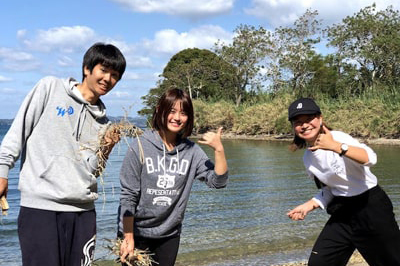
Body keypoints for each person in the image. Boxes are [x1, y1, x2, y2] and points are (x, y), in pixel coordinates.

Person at [0, 42, 126, 266]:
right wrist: (2, 170)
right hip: (41, 208)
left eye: (115, 75)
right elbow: (18, 131)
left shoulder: (104, 123)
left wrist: (107, 148)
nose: (108, 79)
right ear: (87, 68)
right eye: (103, 70)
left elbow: (93, 170)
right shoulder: (49, 88)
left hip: (83, 212)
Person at [118, 88, 228, 266]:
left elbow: (218, 182)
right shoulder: (139, 145)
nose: (177, 118)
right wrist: (128, 236)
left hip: (169, 235)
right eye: (172, 111)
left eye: (183, 113)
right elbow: (128, 196)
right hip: (136, 233)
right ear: (160, 110)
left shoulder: (191, 151)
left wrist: (219, 150)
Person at [286, 97, 400, 266]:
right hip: (343, 212)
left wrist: (336, 146)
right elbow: (331, 188)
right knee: (320, 262)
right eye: (298, 122)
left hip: (371, 207)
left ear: (320, 118)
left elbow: (370, 158)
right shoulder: (308, 158)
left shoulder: (338, 137)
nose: (304, 125)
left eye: (309, 119)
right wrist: (311, 204)